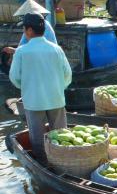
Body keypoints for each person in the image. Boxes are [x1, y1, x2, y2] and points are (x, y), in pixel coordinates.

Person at [9, 13, 72, 161]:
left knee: (37, 139)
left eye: (24, 29)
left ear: (30, 30)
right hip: (56, 99)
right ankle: (63, 163)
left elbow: (15, 78)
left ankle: (44, 165)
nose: (24, 31)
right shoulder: (56, 49)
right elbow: (67, 75)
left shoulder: (21, 51)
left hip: (33, 101)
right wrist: (57, 88)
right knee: (62, 136)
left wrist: (26, 88)